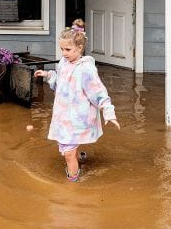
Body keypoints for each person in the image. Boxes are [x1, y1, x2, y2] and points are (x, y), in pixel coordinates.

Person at [34, 19, 119, 182]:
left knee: (67, 152)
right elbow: (61, 83)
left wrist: (109, 112)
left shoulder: (86, 69)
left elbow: (98, 92)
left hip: (78, 117)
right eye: (62, 49)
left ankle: (73, 181)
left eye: (68, 49)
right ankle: (79, 158)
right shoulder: (63, 63)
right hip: (64, 116)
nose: (64, 53)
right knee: (67, 146)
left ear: (79, 48)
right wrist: (48, 75)